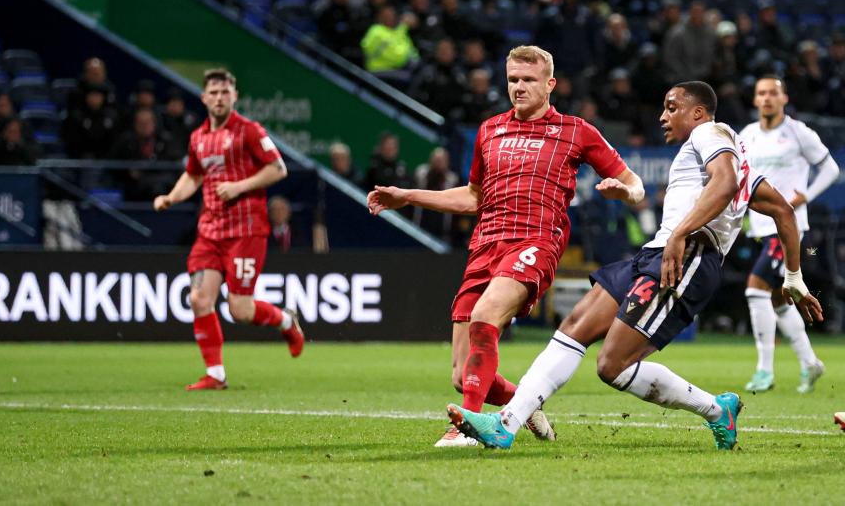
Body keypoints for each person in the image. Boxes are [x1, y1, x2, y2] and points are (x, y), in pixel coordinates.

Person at [448, 81, 824, 451]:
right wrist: (793, 276)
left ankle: (715, 409)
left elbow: (724, 183)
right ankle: (506, 424)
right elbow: (782, 210)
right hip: (657, 252)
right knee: (575, 325)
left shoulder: (709, 133)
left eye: (672, 107)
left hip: (688, 255)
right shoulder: (729, 158)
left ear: (698, 112)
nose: (663, 116)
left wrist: (680, 234)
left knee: (612, 365)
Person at [367, 45, 645, 447]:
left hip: (535, 242)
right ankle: (523, 406)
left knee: (485, 316)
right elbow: (474, 197)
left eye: (528, 80)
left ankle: (471, 427)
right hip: (485, 246)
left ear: (549, 84)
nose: (518, 87)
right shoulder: (489, 130)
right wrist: (408, 196)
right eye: (513, 79)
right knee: (463, 375)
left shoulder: (576, 130)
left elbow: (634, 183)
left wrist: (625, 192)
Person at [153, 69, 305, 391]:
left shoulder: (249, 131)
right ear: (204, 97)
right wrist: (171, 197)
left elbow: (278, 168)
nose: (219, 97)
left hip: (246, 230)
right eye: (214, 92)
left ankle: (285, 321)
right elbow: (193, 176)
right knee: (198, 298)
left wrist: (238, 187)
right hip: (210, 230)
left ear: (235, 96)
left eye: (225, 92)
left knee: (239, 309)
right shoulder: (198, 138)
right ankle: (216, 374)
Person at [739, 76, 840, 394]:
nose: (767, 98)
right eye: (761, 93)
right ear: (755, 100)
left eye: (773, 93)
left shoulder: (797, 132)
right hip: (759, 228)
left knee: (755, 289)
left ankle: (763, 371)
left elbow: (830, 168)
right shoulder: (747, 136)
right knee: (779, 300)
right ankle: (810, 363)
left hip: (790, 229)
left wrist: (805, 196)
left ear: (784, 98)